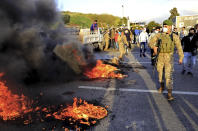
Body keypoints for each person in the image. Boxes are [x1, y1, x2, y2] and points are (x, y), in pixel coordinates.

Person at [149, 22, 184, 101]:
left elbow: (179, 47)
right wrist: (154, 47)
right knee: (160, 73)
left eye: (166, 26)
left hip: (169, 57)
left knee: (168, 76)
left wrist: (181, 57)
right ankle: (162, 86)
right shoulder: (159, 35)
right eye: (164, 26)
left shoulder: (174, 36)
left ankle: (169, 94)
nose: (164, 27)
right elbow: (150, 42)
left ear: (170, 27)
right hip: (160, 57)